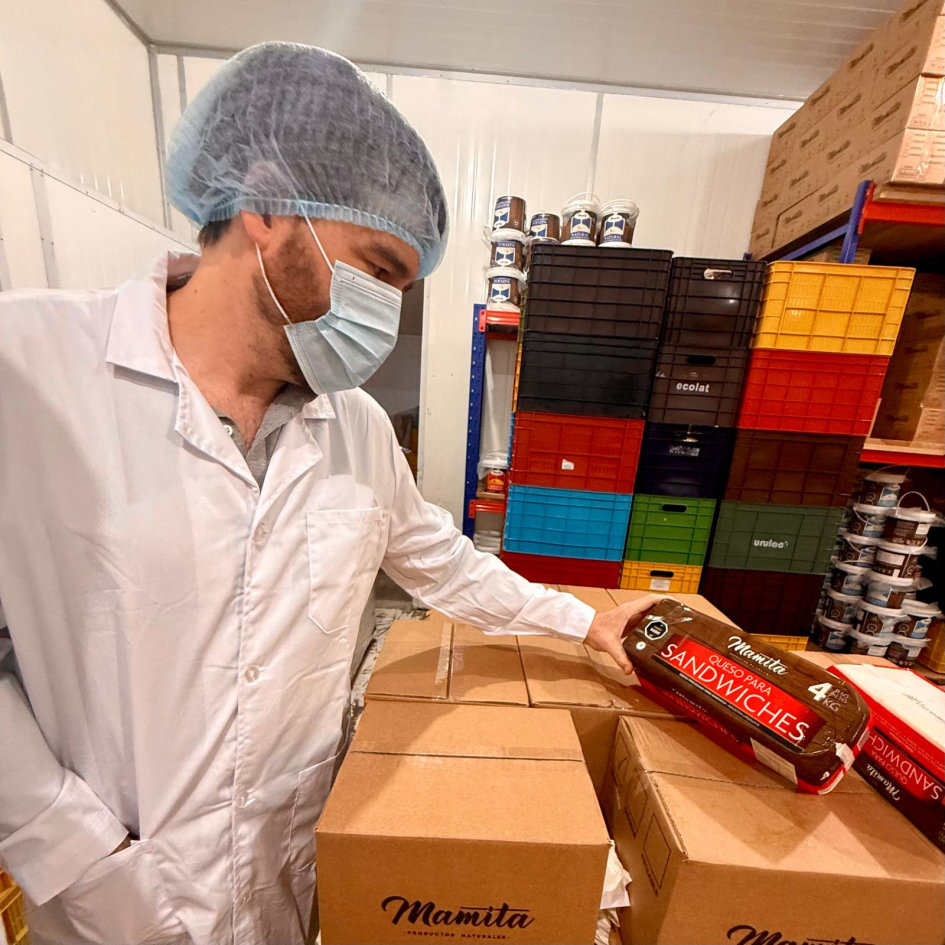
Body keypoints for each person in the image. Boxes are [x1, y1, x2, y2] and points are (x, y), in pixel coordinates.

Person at [0, 42, 658, 945]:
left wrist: (586, 624)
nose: (386, 310)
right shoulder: (27, 371)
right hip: (104, 906)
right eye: (379, 267)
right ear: (268, 205)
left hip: (285, 887)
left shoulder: (351, 428)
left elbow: (443, 562)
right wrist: (79, 854)